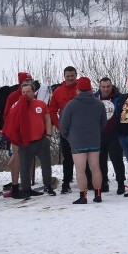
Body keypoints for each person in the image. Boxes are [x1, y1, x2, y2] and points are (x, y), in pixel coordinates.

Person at [3, 80, 55, 199]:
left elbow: (47, 118)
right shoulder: (17, 106)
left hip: (41, 140)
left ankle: (48, 185)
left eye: (28, 91)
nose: (26, 94)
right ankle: (26, 189)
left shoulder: (40, 104)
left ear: (33, 92)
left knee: (46, 165)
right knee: (25, 167)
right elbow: (11, 121)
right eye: (23, 92)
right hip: (25, 142)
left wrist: (48, 133)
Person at [60, 77, 108, 204]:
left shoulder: (70, 105)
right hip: (94, 140)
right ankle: (98, 194)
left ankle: (83, 196)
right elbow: (103, 123)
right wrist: (96, 133)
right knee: (95, 167)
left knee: (80, 169)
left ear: (78, 90)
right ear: (91, 89)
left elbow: (63, 126)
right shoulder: (99, 104)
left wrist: (70, 138)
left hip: (77, 142)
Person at [2, 71, 32, 198]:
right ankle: (15, 185)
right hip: (17, 134)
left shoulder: (33, 94)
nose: (28, 83)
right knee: (17, 158)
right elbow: (6, 115)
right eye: (26, 81)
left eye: (30, 80)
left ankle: (27, 186)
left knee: (29, 159)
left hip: (30, 132)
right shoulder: (13, 96)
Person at [50, 66, 80, 194]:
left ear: (76, 75)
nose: (70, 78)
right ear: (64, 76)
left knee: (85, 155)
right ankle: (66, 182)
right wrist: (59, 126)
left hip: (81, 129)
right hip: (66, 130)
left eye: (72, 75)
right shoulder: (58, 92)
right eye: (68, 76)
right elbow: (52, 111)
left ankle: (88, 180)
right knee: (68, 157)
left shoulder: (82, 89)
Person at [95, 77, 126, 194]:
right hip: (99, 134)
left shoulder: (119, 97)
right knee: (100, 161)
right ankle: (103, 183)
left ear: (111, 86)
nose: (106, 89)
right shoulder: (95, 98)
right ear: (99, 87)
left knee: (117, 160)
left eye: (108, 87)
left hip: (114, 134)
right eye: (103, 87)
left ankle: (121, 183)